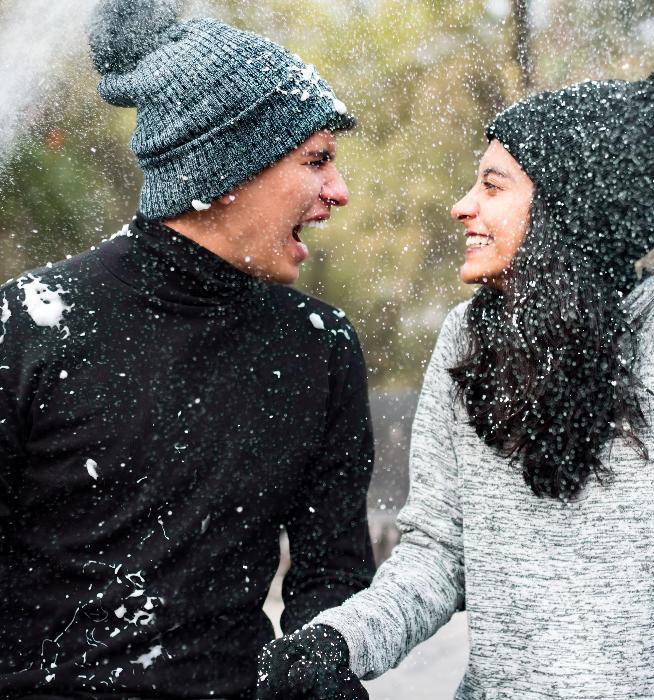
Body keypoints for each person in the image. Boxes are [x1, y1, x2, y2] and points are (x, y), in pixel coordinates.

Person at [258, 57, 654, 699]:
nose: (462, 207)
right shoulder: (465, 338)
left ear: (567, 208)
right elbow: (437, 556)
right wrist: (341, 641)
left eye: (493, 185)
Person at [0, 0, 375, 697]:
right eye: (316, 160)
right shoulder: (28, 326)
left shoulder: (320, 347)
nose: (338, 191)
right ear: (224, 170)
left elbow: (332, 579)